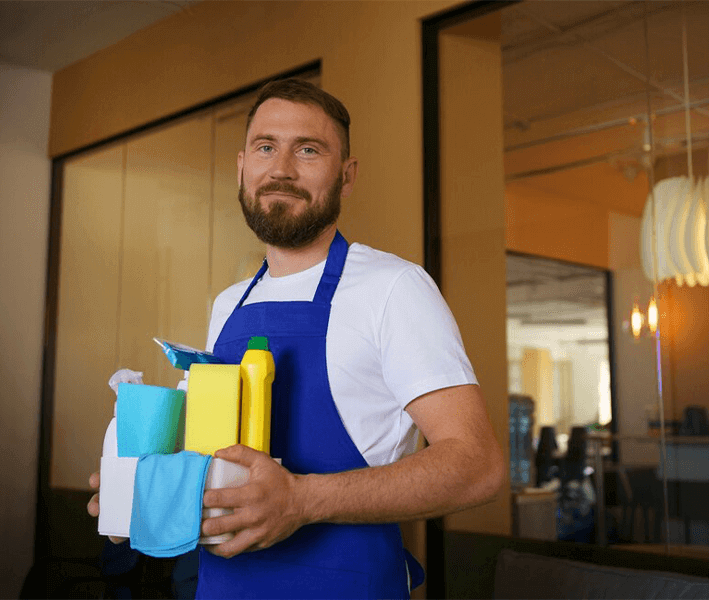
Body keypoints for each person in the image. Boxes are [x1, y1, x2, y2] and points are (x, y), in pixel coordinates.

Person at [88, 78, 504, 599]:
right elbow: (222, 463)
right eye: (266, 148)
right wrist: (150, 489)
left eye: (308, 150)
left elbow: (477, 465)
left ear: (346, 176)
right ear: (243, 167)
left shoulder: (393, 288)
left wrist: (302, 499)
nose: (281, 168)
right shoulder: (228, 304)